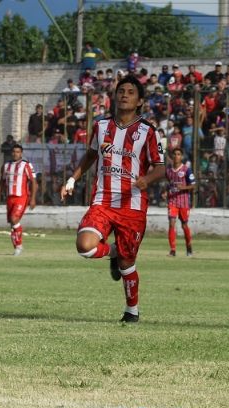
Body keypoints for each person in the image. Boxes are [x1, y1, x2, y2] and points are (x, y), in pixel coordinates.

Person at [61, 75, 166, 323]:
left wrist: (146, 180)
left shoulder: (148, 131)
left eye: (131, 91)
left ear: (139, 101)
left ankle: (132, 311)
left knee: (128, 263)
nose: (125, 94)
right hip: (103, 201)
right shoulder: (101, 127)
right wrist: (72, 179)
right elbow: (90, 156)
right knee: (84, 246)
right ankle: (114, 252)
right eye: (121, 91)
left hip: (133, 206)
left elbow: (161, 168)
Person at [0, 143, 37, 256]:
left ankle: (18, 246)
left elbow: (34, 182)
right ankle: (18, 246)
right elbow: (1, 182)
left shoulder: (26, 165)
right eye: (13, 152)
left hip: (22, 197)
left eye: (17, 152)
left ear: (21, 153)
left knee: (14, 219)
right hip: (10, 197)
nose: (15, 154)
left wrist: (33, 198)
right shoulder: (6, 166)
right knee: (12, 224)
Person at [165, 148, 195, 257]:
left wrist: (183, 188)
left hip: (184, 202)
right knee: (171, 223)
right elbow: (168, 183)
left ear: (181, 156)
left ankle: (189, 246)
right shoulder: (168, 170)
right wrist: (165, 191)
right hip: (172, 201)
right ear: (172, 156)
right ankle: (172, 250)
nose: (176, 156)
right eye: (175, 154)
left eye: (178, 154)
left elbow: (193, 185)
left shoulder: (186, 170)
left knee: (184, 225)